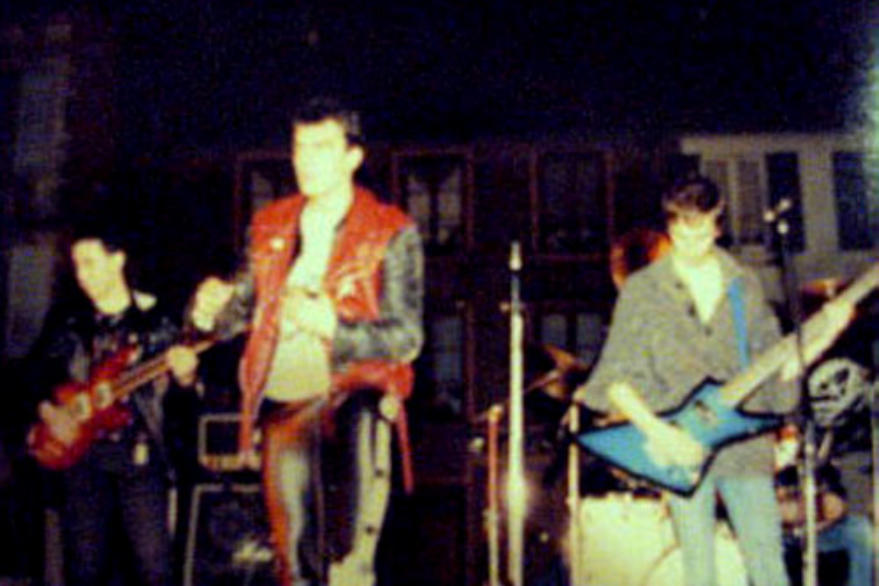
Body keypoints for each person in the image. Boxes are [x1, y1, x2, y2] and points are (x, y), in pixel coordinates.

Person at [574, 174, 853, 586]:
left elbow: (777, 370)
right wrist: (662, 436)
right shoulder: (643, 290)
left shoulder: (744, 284)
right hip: (678, 446)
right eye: (681, 235)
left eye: (702, 234)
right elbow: (612, 380)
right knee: (698, 573)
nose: (691, 246)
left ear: (718, 225)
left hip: (744, 446)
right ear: (669, 227)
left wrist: (828, 332)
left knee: (769, 571)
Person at [190, 96, 424, 586]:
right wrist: (209, 309)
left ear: (352, 156)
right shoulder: (269, 225)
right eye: (300, 148)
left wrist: (332, 327)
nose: (307, 161)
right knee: (292, 567)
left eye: (322, 148)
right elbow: (239, 312)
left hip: (355, 398)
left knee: (348, 566)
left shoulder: (392, 230)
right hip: (286, 406)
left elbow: (407, 337)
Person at [27, 225, 199, 586]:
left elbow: (182, 409)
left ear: (117, 260)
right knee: (84, 570)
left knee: (155, 569)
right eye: (77, 266)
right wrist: (49, 412)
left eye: (90, 263)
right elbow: (32, 376)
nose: (82, 275)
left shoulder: (158, 321)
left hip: (140, 457)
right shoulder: (69, 322)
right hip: (82, 458)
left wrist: (186, 379)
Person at [775, 425, 874, 586]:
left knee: (860, 530)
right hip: (784, 535)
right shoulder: (776, 468)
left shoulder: (823, 468)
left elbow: (837, 506)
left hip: (818, 530)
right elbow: (780, 511)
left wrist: (822, 519)